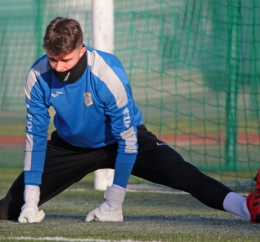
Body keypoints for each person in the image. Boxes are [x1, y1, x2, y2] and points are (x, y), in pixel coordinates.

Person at [0, 17, 259, 224]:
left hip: (121, 140)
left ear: (82, 50)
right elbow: (35, 138)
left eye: (64, 60)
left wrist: (114, 201)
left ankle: (247, 207)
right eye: (52, 59)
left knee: (183, 174)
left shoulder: (107, 73)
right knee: (9, 208)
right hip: (70, 147)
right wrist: (31, 200)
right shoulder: (37, 74)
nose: (56, 67)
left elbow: (128, 139)